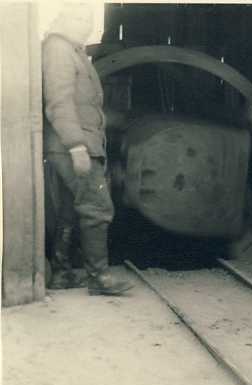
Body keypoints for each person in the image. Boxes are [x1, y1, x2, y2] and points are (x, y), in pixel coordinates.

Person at [42, 2, 133, 295]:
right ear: (63, 19)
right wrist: (76, 146)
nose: (84, 25)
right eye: (78, 18)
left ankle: (62, 273)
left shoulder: (72, 51)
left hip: (74, 145)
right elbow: (59, 102)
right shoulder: (59, 50)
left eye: (88, 20)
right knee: (97, 207)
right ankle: (99, 278)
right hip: (74, 145)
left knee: (69, 210)